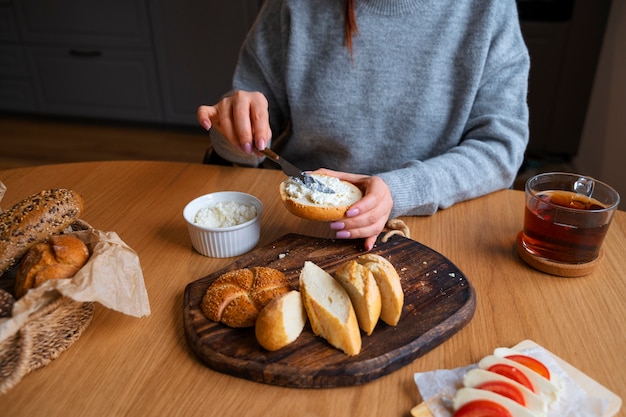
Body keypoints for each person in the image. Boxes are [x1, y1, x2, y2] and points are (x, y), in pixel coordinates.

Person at [197, 0, 530, 251]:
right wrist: (234, 128)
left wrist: (399, 190)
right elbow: (247, 145)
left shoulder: (488, 9)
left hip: (433, 230)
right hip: (297, 230)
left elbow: (500, 148)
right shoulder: (292, 6)